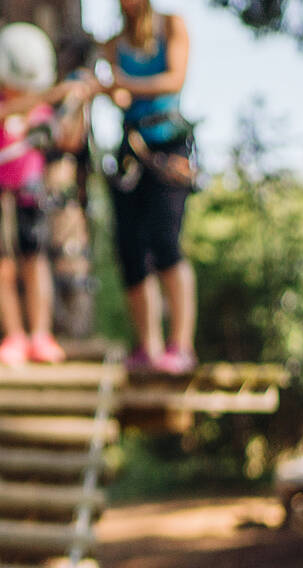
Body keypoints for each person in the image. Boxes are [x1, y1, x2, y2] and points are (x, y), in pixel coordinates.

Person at [0, 22, 88, 366]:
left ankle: (40, 334)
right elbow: (2, 114)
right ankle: (14, 335)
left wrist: (76, 103)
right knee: (0, 268)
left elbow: (69, 140)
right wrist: (54, 93)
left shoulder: (41, 112)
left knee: (34, 262)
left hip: (28, 195)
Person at [101, 0, 197, 373]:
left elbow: (174, 78)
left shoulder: (172, 26)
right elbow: (122, 98)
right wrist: (106, 88)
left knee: (165, 241)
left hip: (169, 148)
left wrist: (122, 82)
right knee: (130, 249)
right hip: (131, 150)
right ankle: (149, 346)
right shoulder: (113, 46)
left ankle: (182, 346)